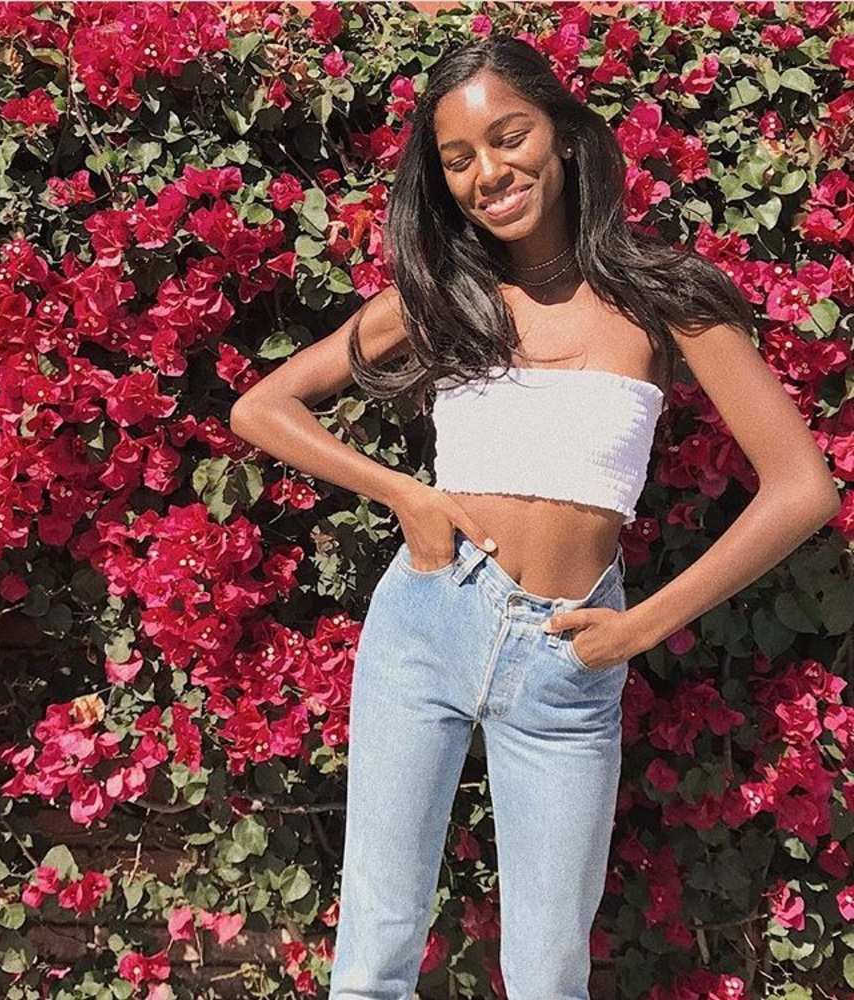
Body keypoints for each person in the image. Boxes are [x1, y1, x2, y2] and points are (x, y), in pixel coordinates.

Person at [229, 34, 840, 1000]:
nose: (488, 174)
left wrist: (639, 629)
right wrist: (406, 493)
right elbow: (260, 407)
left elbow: (804, 487)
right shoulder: (443, 299)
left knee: (550, 969)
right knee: (376, 952)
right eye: (459, 160)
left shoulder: (663, 302)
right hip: (425, 623)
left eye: (508, 138)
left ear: (562, 137)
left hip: (570, 652)